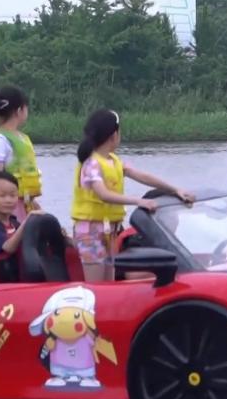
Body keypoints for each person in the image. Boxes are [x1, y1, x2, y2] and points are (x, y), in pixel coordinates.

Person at [72, 109, 195, 282]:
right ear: (114, 135)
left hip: (110, 232)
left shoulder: (114, 161)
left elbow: (143, 176)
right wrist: (139, 201)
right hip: (90, 234)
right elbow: (103, 194)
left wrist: (175, 190)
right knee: (97, 288)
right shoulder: (91, 163)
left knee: (109, 284)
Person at [0, 86, 41, 219]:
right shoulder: (0, 139)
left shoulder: (22, 138)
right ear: (19, 110)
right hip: (8, 207)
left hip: (25, 204)